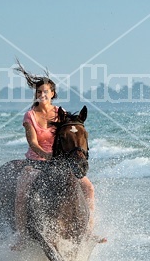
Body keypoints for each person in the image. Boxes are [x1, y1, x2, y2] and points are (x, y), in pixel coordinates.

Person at [11, 62, 104, 250]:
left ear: (53, 94)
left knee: (89, 188)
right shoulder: (30, 116)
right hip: (36, 162)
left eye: (46, 92)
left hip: (59, 163)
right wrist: (45, 154)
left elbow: (71, 130)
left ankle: (89, 231)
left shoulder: (60, 113)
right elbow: (33, 143)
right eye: (39, 92)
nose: (42, 95)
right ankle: (21, 237)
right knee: (22, 189)